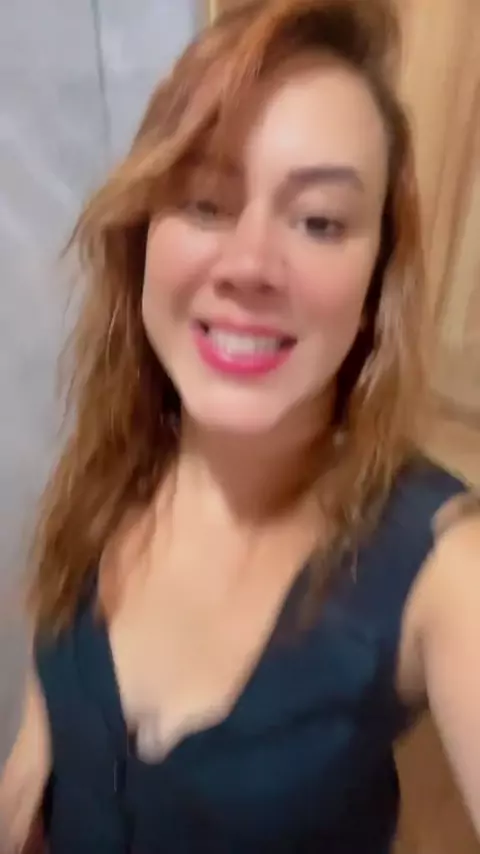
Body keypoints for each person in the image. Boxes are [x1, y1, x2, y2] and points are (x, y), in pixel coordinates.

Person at [1, 0, 479, 850]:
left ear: (378, 274)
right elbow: (48, 717)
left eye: (319, 221)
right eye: (205, 203)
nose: (251, 265)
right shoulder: (112, 456)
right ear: (143, 235)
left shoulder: (445, 566)